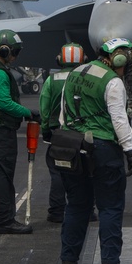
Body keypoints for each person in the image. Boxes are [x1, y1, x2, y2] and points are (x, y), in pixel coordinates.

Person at [56, 38, 132, 264]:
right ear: (119, 59)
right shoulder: (112, 81)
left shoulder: (75, 72)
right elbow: (119, 119)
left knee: (77, 205)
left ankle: (69, 260)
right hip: (103, 149)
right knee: (110, 206)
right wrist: (129, 149)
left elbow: (63, 114)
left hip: (72, 146)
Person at [0, 29, 40, 234]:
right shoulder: (0, 73)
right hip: (1, 131)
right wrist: (29, 113)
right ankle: (5, 221)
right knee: (2, 176)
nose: (16, 56)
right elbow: (4, 103)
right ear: (4, 51)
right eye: (15, 52)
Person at [39, 43, 85, 223]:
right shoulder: (86, 78)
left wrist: (45, 131)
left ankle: (56, 212)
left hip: (57, 133)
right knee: (83, 172)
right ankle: (86, 211)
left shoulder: (52, 80)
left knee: (57, 172)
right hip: (80, 133)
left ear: (60, 59)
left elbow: (44, 108)